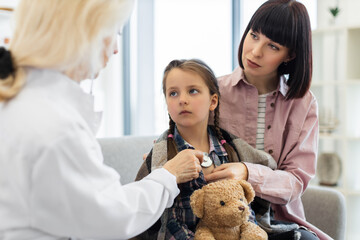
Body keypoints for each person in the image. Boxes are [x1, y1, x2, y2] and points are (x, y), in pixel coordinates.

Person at [0, 1, 204, 239]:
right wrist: (168, 175)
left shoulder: (20, 100)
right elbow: (112, 217)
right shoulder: (54, 126)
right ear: (87, 32)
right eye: (115, 33)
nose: (116, 49)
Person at [205, 0, 330, 240]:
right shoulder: (213, 91)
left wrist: (246, 172)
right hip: (217, 217)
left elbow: (295, 182)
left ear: (290, 54)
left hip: (276, 222)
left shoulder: (304, 104)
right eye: (253, 36)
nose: (255, 51)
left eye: (272, 46)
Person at [134, 59, 275, 240]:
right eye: (173, 93)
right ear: (167, 105)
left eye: (193, 91)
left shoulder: (230, 147)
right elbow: (146, 213)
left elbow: (267, 170)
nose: (183, 100)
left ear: (213, 101)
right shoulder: (163, 154)